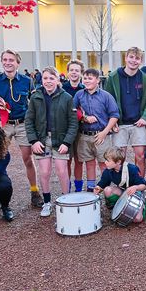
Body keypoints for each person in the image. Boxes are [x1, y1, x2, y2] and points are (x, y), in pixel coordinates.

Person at [0, 49, 40, 210]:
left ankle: (34, 192)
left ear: (18, 63)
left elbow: (35, 101)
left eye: (11, 60)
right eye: (5, 59)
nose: (8, 62)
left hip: (23, 124)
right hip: (3, 124)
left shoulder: (26, 80)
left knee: (27, 158)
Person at [25, 66, 78, 217]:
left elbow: (73, 123)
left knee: (62, 171)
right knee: (45, 171)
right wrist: (33, 140)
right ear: (42, 80)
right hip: (42, 139)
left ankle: (66, 200)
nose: (48, 81)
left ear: (58, 80)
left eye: (51, 78)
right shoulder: (35, 97)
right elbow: (29, 121)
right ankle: (47, 202)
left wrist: (67, 142)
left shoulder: (66, 97)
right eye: (45, 78)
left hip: (60, 139)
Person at [105, 47, 146, 177]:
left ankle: (140, 186)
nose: (133, 60)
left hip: (138, 123)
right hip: (119, 124)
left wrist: (144, 117)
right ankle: (120, 186)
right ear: (126, 58)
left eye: (137, 58)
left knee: (141, 156)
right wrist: (112, 121)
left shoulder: (145, 78)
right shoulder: (113, 77)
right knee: (119, 158)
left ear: (141, 61)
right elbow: (107, 100)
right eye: (131, 57)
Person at [73, 68, 120, 192]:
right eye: (85, 78)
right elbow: (73, 111)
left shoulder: (106, 96)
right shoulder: (79, 95)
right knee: (89, 163)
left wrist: (105, 132)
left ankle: (106, 190)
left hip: (101, 134)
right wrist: (84, 117)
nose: (87, 80)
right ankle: (91, 189)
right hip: (84, 135)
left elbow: (114, 115)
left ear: (98, 80)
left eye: (90, 78)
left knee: (104, 164)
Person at [94, 148, 146, 221]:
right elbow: (102, 185)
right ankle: (116, 207)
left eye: (108, 160)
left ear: (118, 162)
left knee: (137, 219)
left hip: (136, 194)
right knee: (107, 190)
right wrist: (98, 188)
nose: (105, 162)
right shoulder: (108, 171)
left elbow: (143, 186)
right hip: (123, 192)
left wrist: (135, 187)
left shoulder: (132, 169)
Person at [62, 59, 86, 192]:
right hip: (65, 129)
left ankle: (78, 188)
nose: (74, 73)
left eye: (77, 70)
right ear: (68, 72)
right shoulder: (61, 88)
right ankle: (67, 188)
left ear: (81, 73)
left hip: (81, 128)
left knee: (79, 159)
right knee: (67, 160)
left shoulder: (85, 89)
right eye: (72, 70)